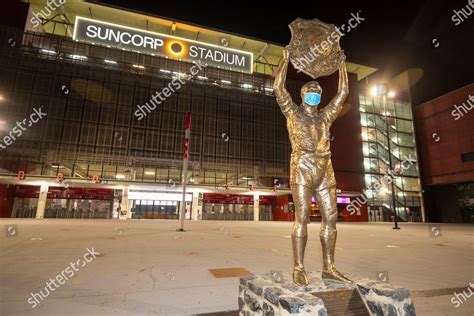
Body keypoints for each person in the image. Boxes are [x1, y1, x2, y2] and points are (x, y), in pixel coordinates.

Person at [273, 48, 351, 285]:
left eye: (318, 92)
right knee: (303, 217)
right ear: (303, 94)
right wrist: (285, 60)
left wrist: (342, 65)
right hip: (302, 167)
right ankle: (298, 267)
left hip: (325, 167)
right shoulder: (293, 113)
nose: (315, 94)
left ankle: (329, 267)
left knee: (331, 217)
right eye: (311, 91)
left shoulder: (325, 116)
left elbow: (344, 92)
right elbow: (278, 89)